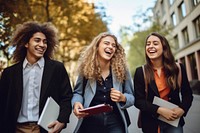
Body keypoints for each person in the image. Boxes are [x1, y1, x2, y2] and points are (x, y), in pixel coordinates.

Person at [0, 21, 73, 133]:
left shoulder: (57, 68)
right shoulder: (9, 73)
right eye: (37, 40)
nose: (42, 45)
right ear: (26, 43)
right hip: (15, 129)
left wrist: (62, 121)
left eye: (45, 42)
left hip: (45, 128)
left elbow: (66, 97)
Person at [71, 32, 134, 133]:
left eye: (113, 45)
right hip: (89, 122)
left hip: (115, 122)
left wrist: (123, 98)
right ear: (97, 46)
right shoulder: (86, 68)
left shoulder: (122, 69)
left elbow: (131, 96)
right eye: (106, 43)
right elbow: (78, 93)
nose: (110, 47)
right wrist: (76, 103)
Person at [134, 32, 193, 133]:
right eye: (148, 44)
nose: (150, 46)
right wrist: (160, 110)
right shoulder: (141, 71)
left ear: (164, 47)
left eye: (155, 43)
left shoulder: (178, 68)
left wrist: (182, 109)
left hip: (173, 122)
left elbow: (187, 94)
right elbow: (139, 101)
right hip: (150, 122)